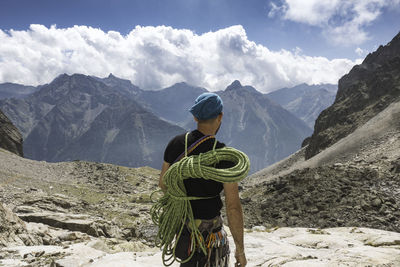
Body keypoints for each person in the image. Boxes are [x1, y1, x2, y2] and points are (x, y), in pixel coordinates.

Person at [159, 92, 247, 267]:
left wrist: (183, 198)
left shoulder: (176, 143)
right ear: (220, 116)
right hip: (211, 236)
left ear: (195, 117)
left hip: (185, 233)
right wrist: (240, 249)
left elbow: (163, 184)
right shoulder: (223, 154)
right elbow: (233, 206)